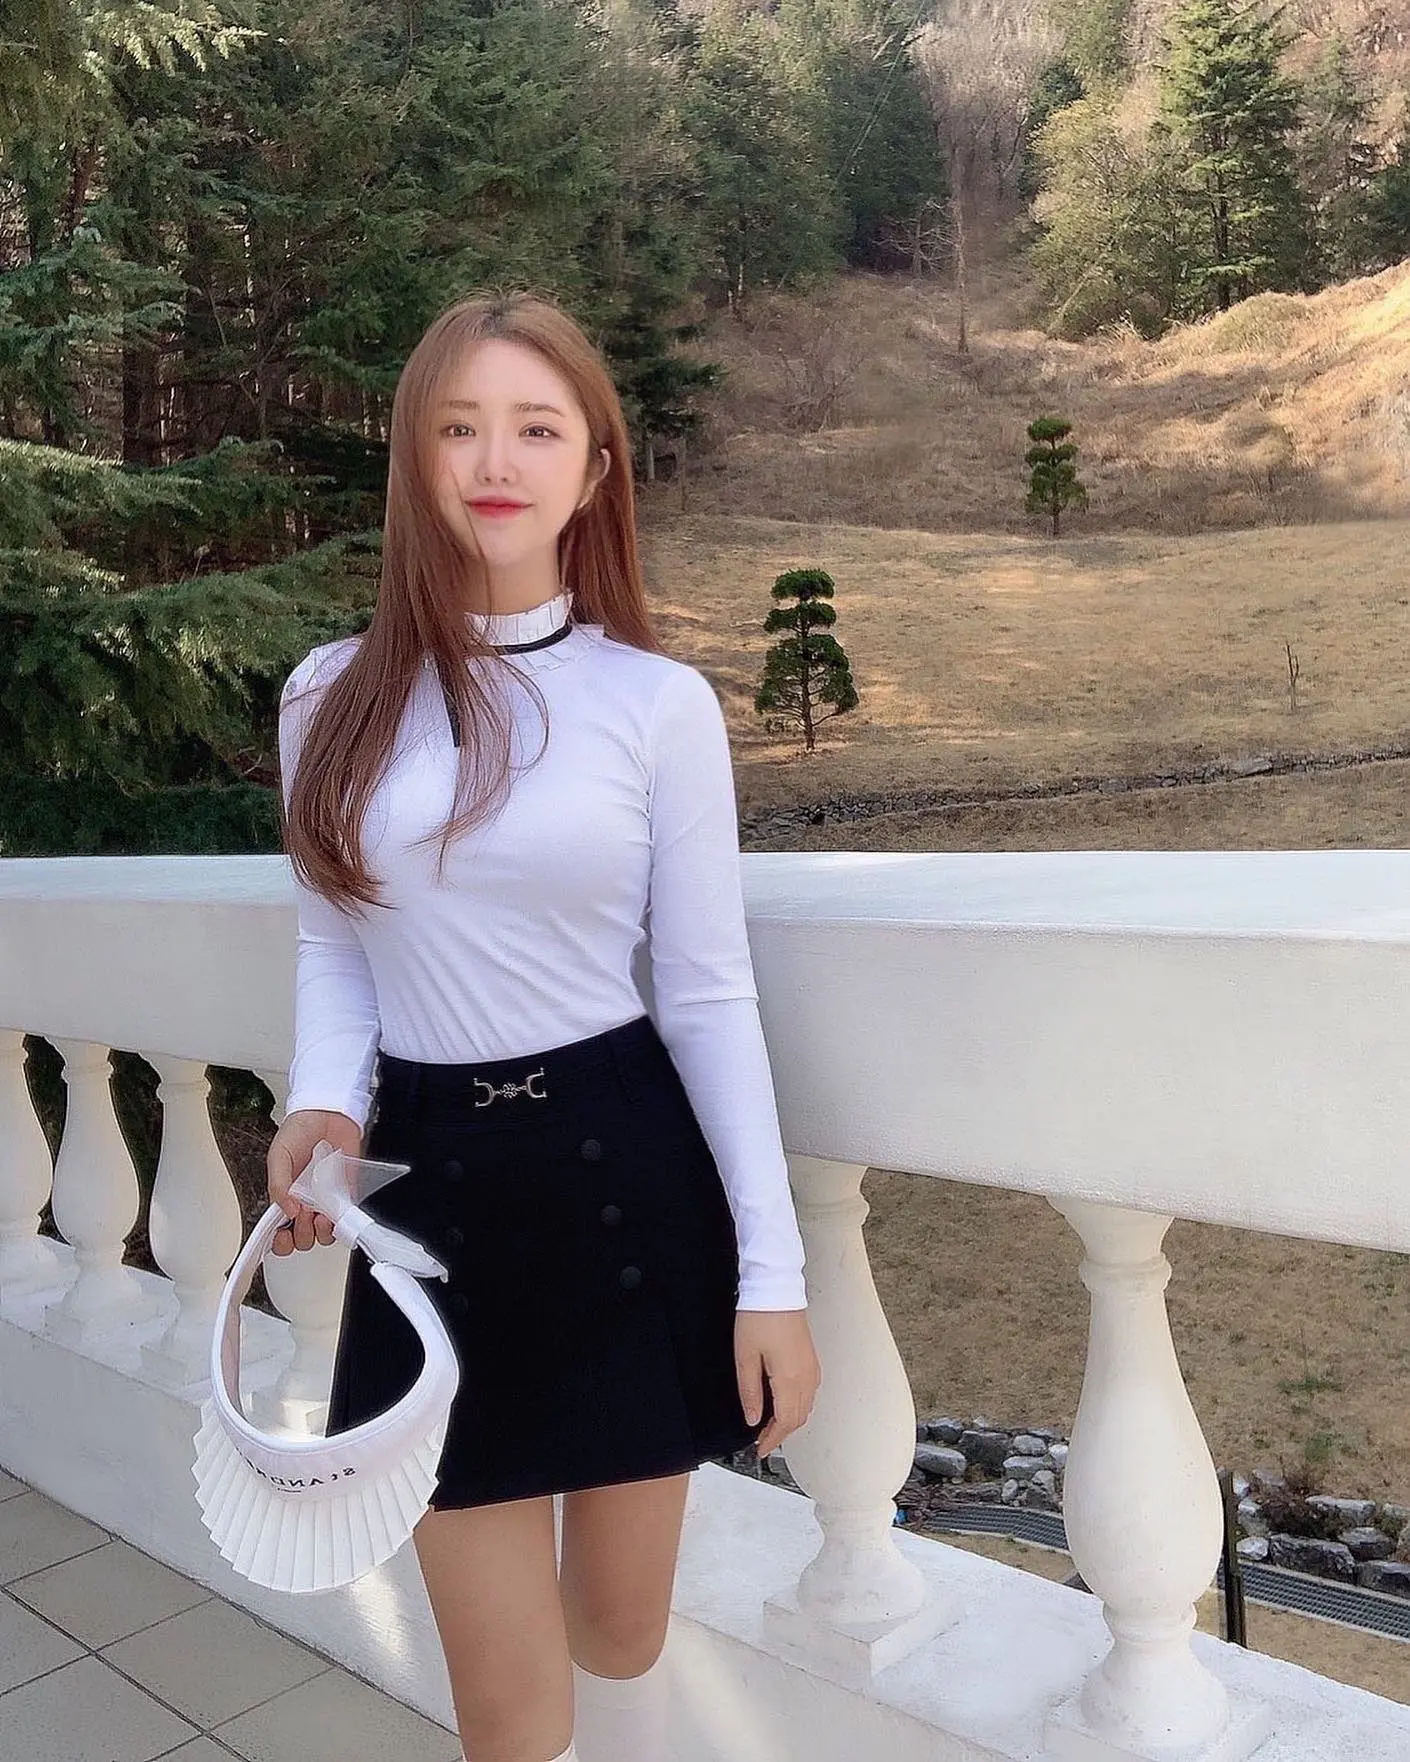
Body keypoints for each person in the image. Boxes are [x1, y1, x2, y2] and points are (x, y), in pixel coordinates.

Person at [266, 289, 821, 1762]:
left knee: (619, 1633)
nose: (495, 461)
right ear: (414, 459)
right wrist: (323, 1101)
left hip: (624, 1174)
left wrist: (772, 1279)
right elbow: (334, 943)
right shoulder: (327, 696)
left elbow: (706, 996)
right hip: (430, 1204)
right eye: (458, 428)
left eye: (535, 427)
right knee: (511, 1718)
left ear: (594, 468)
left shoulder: (656, 704)